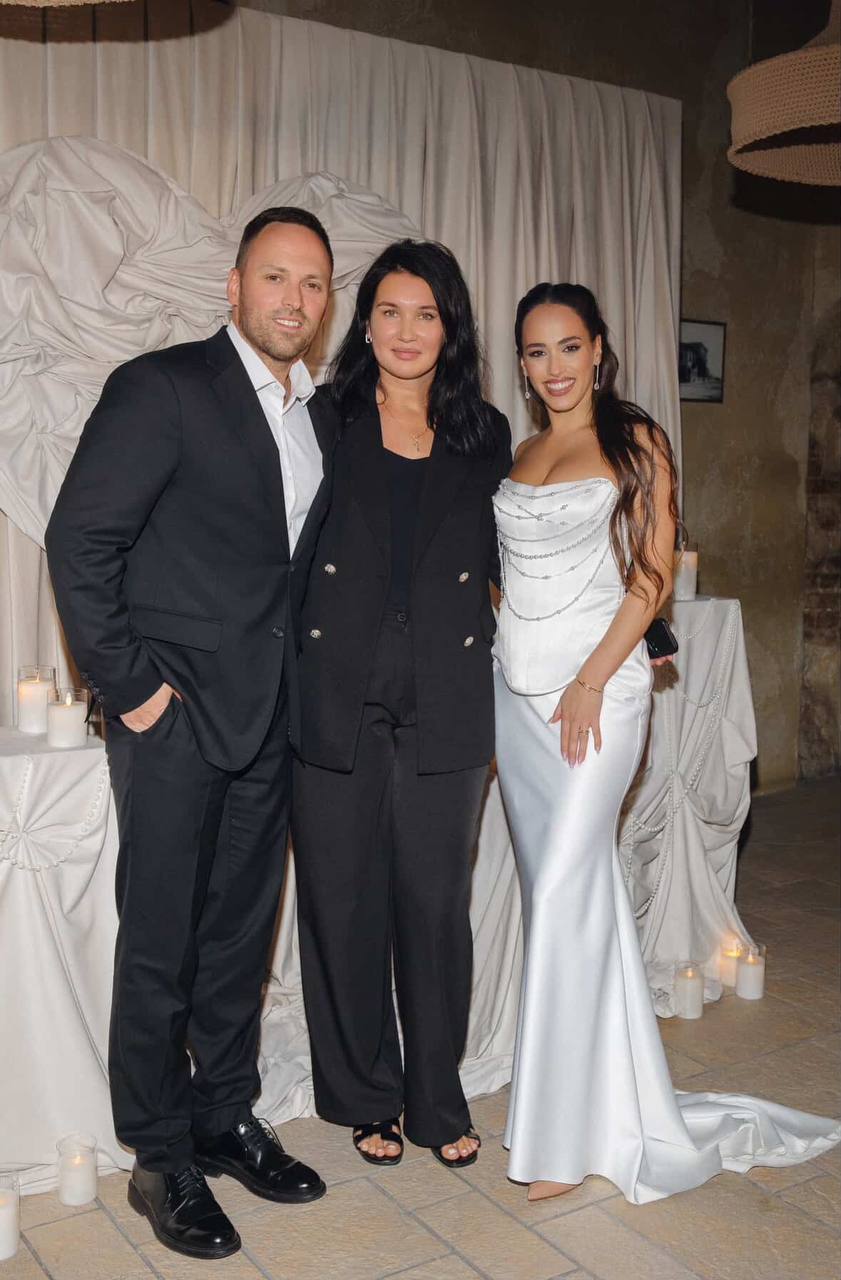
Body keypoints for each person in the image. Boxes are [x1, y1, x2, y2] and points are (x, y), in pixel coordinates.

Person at [493, 282, 840, 1204]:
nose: (554, 367)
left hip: (598, 695)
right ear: (521, 364)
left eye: (569, 347)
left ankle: (558, 1139)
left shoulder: (635, 442)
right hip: (515, 702)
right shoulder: (521, 452)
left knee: (563, 893)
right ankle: (606, 1101)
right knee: (574, 897)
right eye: (536, 351)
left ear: (598, 351)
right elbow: (512, 578)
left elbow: (648, 579)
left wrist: (587, 679)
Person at [45, 207, 341, 1261]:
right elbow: (80, 540)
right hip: (172, 720)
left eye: (313, 283)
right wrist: (134, 692)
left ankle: (223, 1114)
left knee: (238, 939)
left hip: (271, 719)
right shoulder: (163, 387)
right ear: (234, 286)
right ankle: (158, 1153)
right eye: (275, 276)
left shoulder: (314, 415)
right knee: (161, 943)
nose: (293, 300)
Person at [291, 239, 511, 1169]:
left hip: (445, 692)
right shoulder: (321, 416)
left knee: (433, 902)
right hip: (332, 685)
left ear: (450, 327)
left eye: (426, 314)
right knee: (341, 900)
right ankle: (364, 1094)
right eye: (389, 311)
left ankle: (434, 1095)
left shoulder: (484, 433)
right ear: (365, 322)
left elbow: (514, 556)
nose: (407, 331)